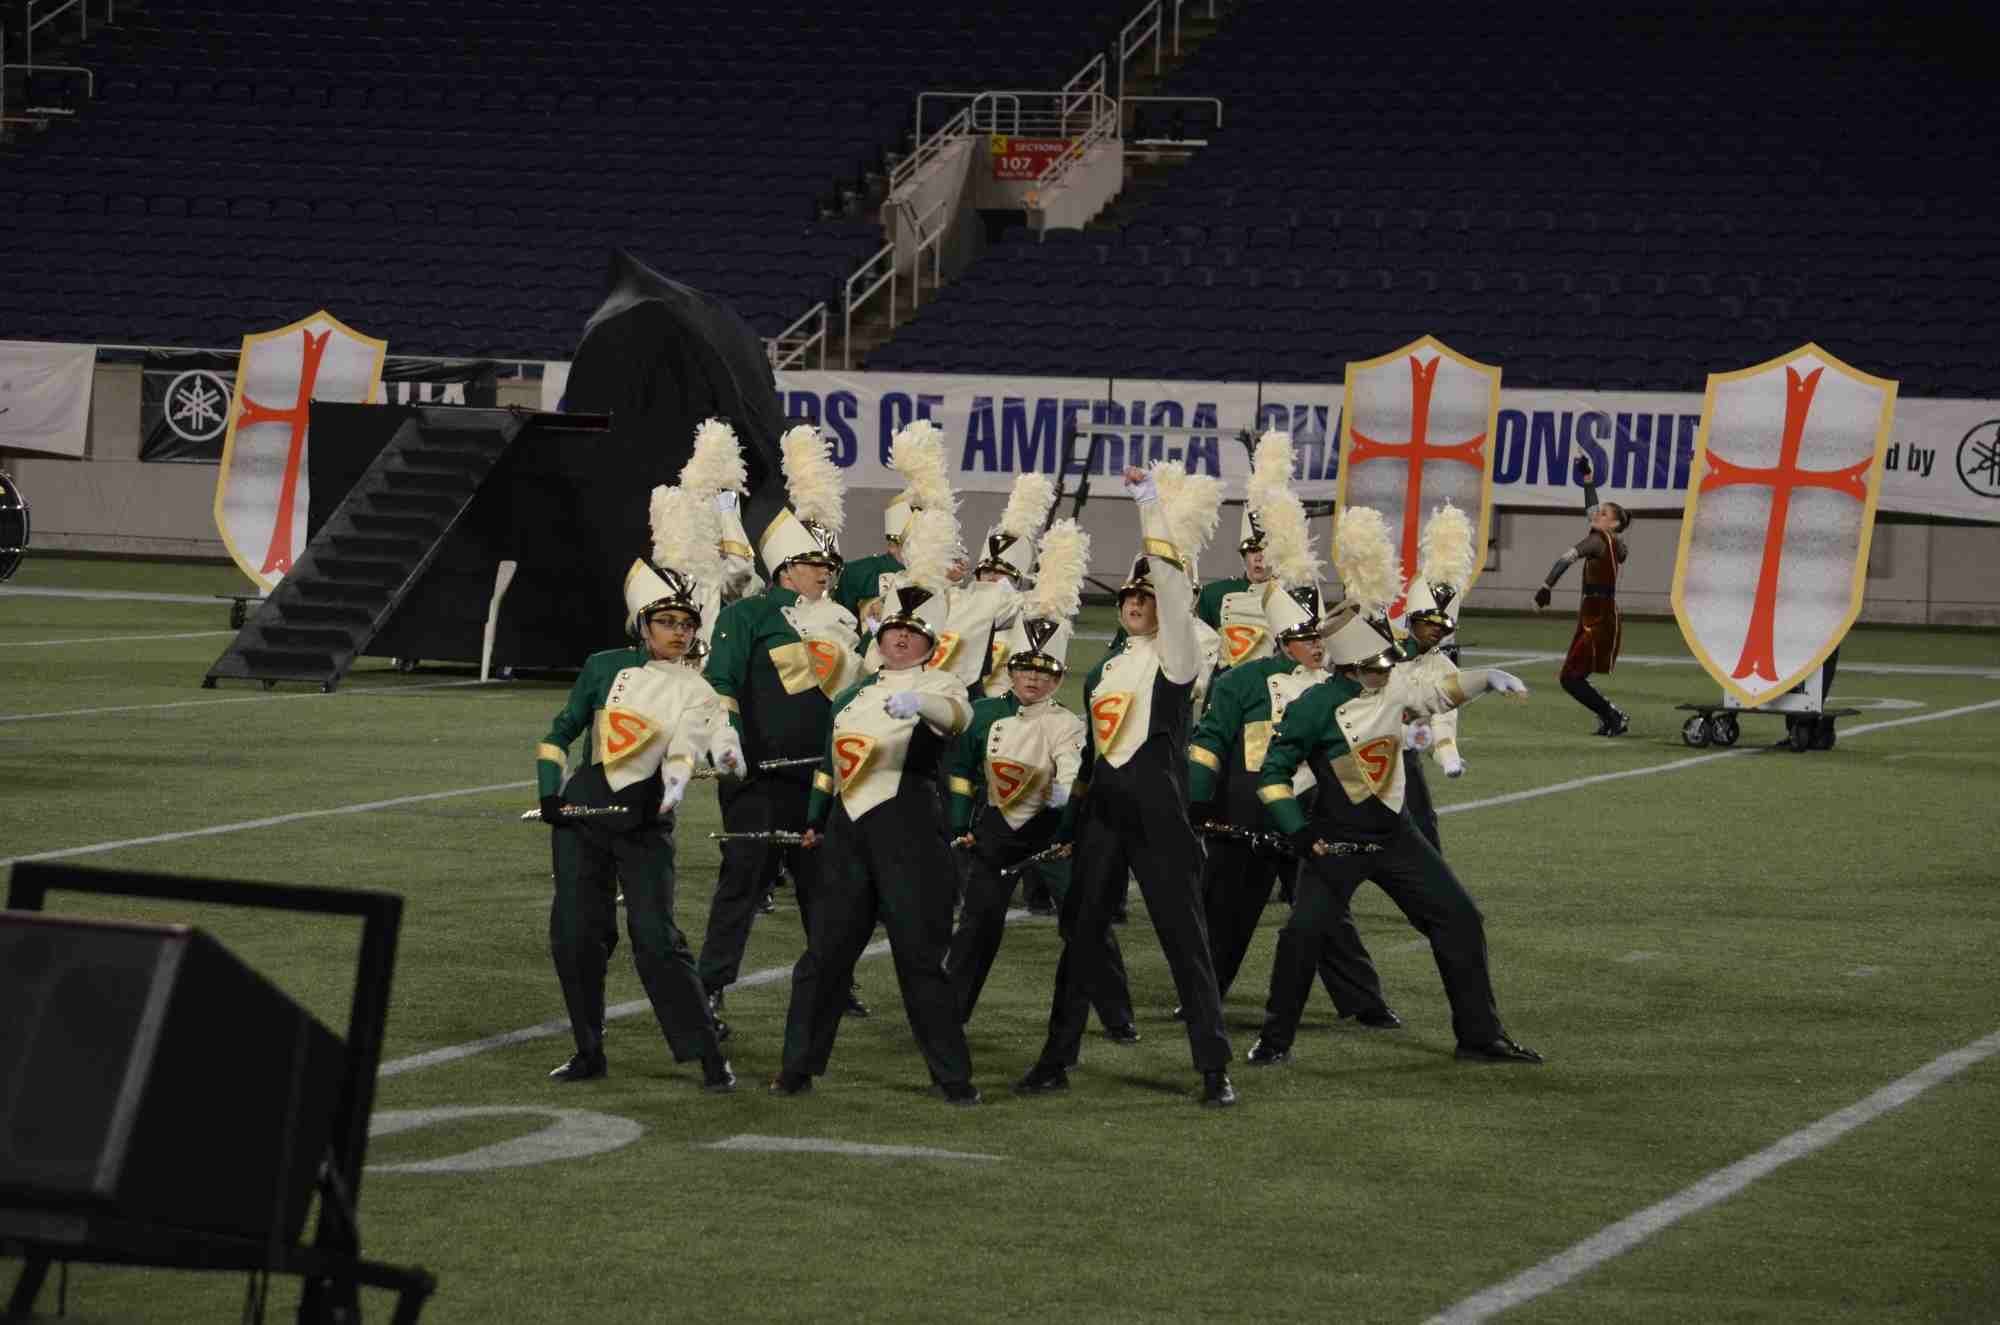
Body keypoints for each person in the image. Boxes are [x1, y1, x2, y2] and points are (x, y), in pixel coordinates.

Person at [1248, 564, 1542, 1067]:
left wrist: (1486, 679)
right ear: (1348, 666)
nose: (1387, 671)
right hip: (1337, 844)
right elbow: (1272, 775)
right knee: (1301, 937)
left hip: (1396, 836)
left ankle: (1479, 1036)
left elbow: (1437, 694)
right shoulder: (1313, 708)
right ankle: (1274, 1041)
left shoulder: (1391, 688)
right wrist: (1298, 833)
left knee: (1461, 919)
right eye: (1376, 665)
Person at [1015, 463, 1238, 1108]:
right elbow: (1092, 759)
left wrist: (1149, 503)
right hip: (1105, 815)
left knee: (1184, 941)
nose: (1136, 604)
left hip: (1161, 813)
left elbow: (1171, 583)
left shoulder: (1180, 654)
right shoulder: (1105, 671)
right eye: (1128, 599)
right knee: (1080, 936)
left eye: (1147, 598)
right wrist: (1069, 823)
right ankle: (1056, 1058)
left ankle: (1213, 1068)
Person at [769, 513, 981, 1103]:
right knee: (823, 957)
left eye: (912, 634)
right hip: (847, 834)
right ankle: (797, 1066)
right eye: (893, 632)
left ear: (930, 644)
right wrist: (815, 822)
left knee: (920, 958)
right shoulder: (855, 692)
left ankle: (953, 1077)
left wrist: (921, 703)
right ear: (879, 638)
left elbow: (958, 720)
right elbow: (830, 763)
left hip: (910, 830)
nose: (901, 640)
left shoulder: (942, 685)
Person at [534, 486, 735, 1092]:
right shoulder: (602, 667)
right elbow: (560, 733)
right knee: (576, 937)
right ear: (642, 624)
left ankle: (707, 1054)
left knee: (656, 939)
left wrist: (717, 762)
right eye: (666, 621)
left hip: (645, 821)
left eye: (686, 623)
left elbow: (711, 743)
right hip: (582, 816)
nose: (678, 632)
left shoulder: (698, 686)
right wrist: (550, 795)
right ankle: (588, 1050)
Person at [697, 426, 866, 1034]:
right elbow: (720, 681)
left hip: (821, 778)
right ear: (786, 569)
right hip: (759, 777)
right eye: (815, 565)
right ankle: (711, 986)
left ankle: (835, 982)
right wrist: (726, 742)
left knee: (827, 887)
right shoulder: (748, 615)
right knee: (743, 880)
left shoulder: (843, 622)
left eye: (829, 565)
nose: (826, 574)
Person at [944, 522, 1137, 1034]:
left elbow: (1073, 778)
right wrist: (961, 823)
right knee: (975, 928)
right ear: (1010, 670)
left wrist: (1067, 825)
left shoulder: (1067, 724)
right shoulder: (981, 714)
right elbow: (961, 773)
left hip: (1053, 839)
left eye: (1044, 673)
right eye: (1025, 669)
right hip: (994, 835)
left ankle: (1118, 1017)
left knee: (1087, 924)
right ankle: (949, 1014)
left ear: (1058, 677)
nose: (1033, 678)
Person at [1188, 582, 1399, 1024]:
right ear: (1283, 641)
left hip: (1312, 819)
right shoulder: (1240, 680)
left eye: (1320, 637)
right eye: (1306, 638)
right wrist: (1197, 800)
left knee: (1327, 916)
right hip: (1246, 818)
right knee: (1225, 914)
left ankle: (1364, 1004)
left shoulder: (1338, 686)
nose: (1317, 646)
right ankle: (1201, 997)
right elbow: (1209, 742)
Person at [1396, 499, 1482, 854]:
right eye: (1428, 622)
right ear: (1412, 618)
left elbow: (1443, 722)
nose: (1436, 631)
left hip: (1404, 758)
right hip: (1358, 756)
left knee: (1423, 824)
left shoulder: (1446, 670)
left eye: (1443, 626)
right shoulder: (1379, 652)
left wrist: (1449, 758)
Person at [1535, 455, 1630, 736]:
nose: (1596, 515)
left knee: (1570, 677)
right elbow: (1592, 511)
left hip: (1599, 615)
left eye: (1604, 514)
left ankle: (1613, 716)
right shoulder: (1613, 541)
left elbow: (1565, 559)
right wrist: (1587, 478)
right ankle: (1610, 715)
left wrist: (1546, 587)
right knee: (1575, 674)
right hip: (1597, 612)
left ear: (1614, 524)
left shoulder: (1597, 541)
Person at [1196, 506, 1278, 672]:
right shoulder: (1215, 594)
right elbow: (1201, 648)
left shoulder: (1290, 596)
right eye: (1253, 550)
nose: (1259, 557)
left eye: (1266, 549)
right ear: (1243, 556)